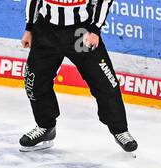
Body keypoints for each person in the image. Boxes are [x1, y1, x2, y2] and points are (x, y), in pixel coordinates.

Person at [19, 1, 137, 154]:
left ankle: (119, 129)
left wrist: (95, 30)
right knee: (34, 81)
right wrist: (29, 28)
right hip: (46, 31)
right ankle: (45, 126)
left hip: (80, 33)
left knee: (105, 81)